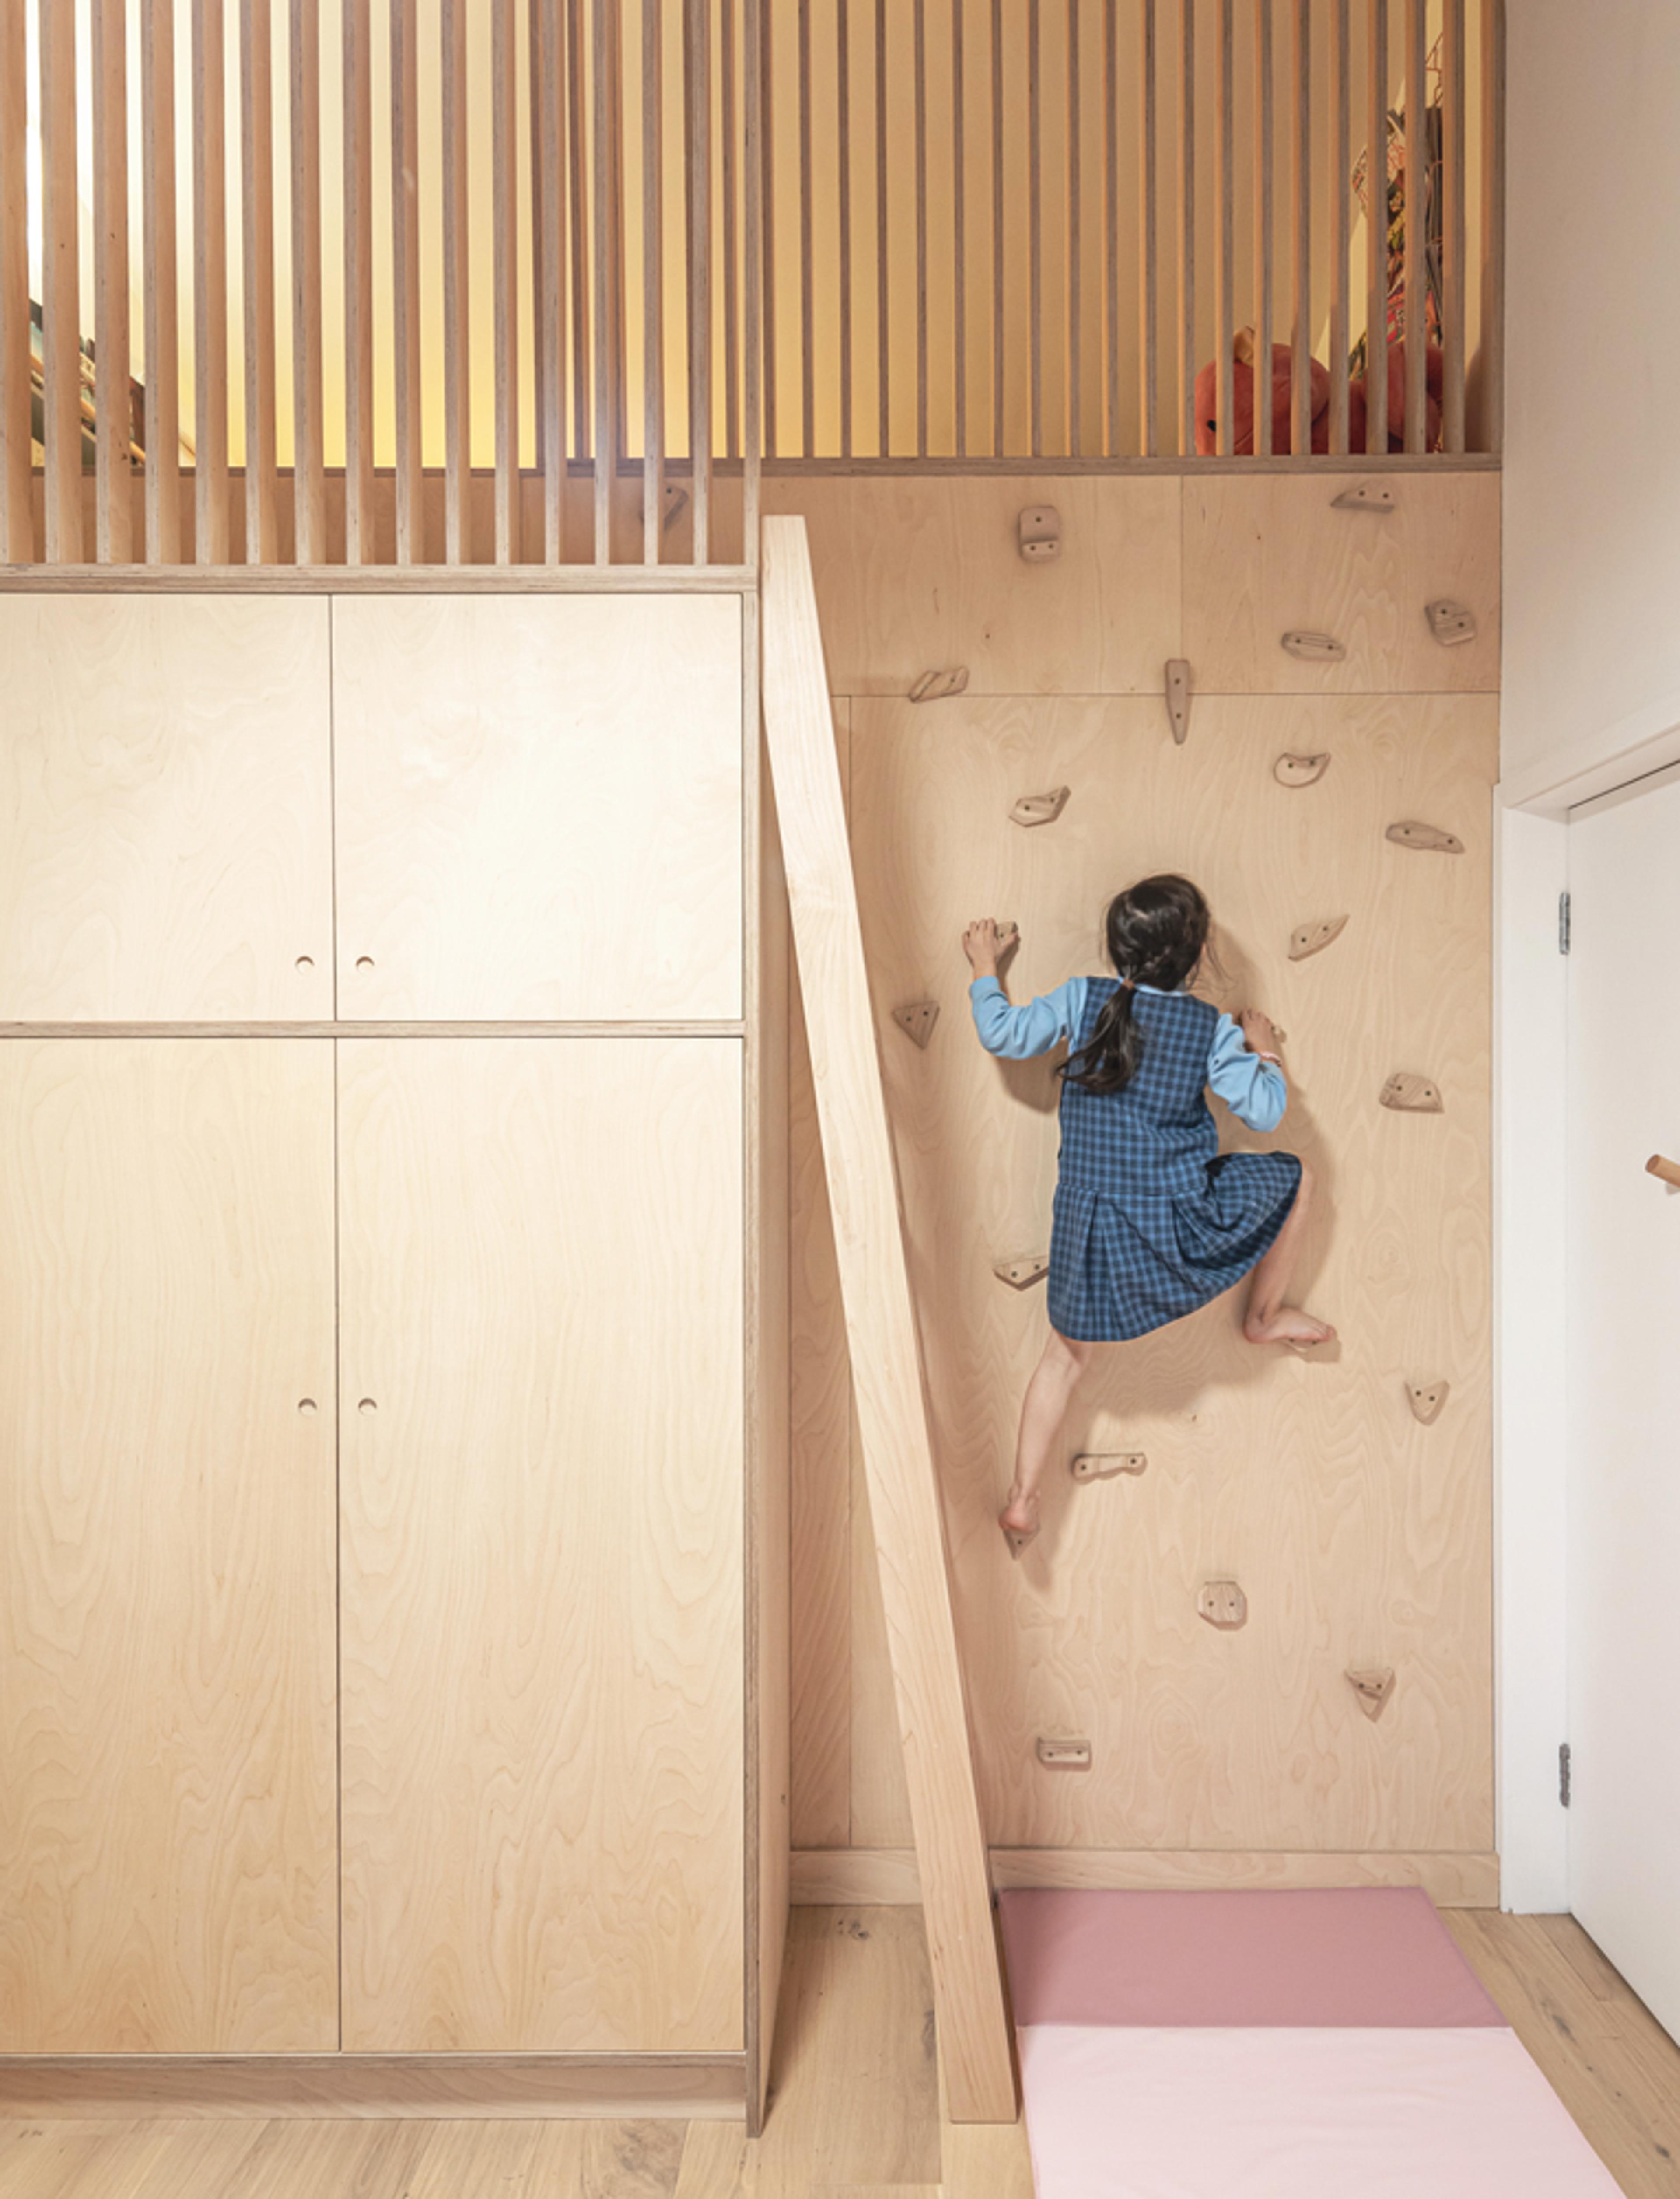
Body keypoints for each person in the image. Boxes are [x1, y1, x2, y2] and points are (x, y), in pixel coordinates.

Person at [963, 873, 1334, 1558]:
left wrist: (986, 966)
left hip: (1091, 1229)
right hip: (1176, 1224)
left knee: (1063, 1359)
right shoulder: (1209, 1029)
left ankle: (1022, 1498)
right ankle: (1263, 1316)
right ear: (1199, 955)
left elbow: (1002, 1033)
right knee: (1301, 1176)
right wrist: (1263, 1048)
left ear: (1116, 949)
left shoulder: (1083, 998)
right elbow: (1265, 1113)